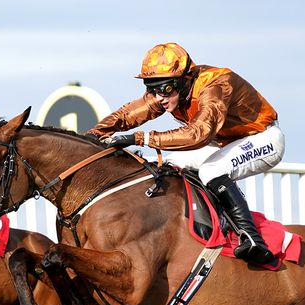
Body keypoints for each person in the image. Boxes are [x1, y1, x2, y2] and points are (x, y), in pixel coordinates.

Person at [87, 42, 284, 265]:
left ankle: (252, 238)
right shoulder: (170, 90)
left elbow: (199, 134)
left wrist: (142, 138)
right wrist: (93, 135)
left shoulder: (216, 86)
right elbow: (128, 115)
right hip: (223, 142)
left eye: (165, 89)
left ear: (185, 80)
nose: (159, 97)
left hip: (261, 137)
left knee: (212, 170)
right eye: (152, 88)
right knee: (162, 166)